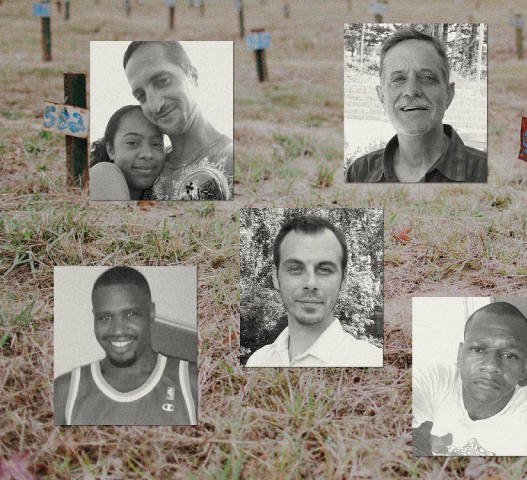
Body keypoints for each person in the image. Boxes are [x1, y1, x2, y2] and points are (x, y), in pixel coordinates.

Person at [53, 267, 198, 425]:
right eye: (105, 317)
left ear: (151, 312)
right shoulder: (66, 391)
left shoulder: (191, 382)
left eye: (130, 315)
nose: (118, 330)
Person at [412, 302, 527, 456]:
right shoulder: (435, 381)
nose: (491, 365)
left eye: (509, 355)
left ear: (524, 367)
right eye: (478, 349)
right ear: (460, 355)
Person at [346, 28, 487, 183]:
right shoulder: (359, 174)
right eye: (398, 79)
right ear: (381, 97)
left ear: (448, 94)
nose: (411, 91)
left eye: (426, 77)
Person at [245, 215, 382, 367]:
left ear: (343, 280)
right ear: (276, 278)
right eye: (295, 269)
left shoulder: (371, 362)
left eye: (324, 270)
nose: (310, 283)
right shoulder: (258, 361)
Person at [123, 41, 233, 200]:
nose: (155, 106)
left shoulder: (231, 158)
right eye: (141, 96)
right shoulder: (147, 168)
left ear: (192, 76)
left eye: (162, 81)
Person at [89, 105, 164, 200]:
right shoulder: (103, 172)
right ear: (111, 150)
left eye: (156, 144)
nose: (148, 154)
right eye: (132, 143)